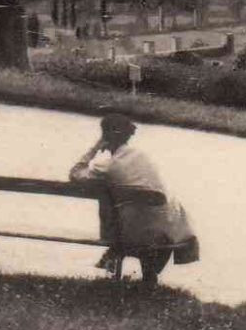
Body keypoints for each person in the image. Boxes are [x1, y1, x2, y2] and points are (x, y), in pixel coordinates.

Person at [68, 113, 200, 286]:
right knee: (146, 215)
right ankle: (148, 278)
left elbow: (75, 174)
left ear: (105, 136)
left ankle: (117, 261)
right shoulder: (144, 157)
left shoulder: (108, 166)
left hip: (131, 234)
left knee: (131, 217)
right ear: (128, 136)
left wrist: (94, 149)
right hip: (169, 231)